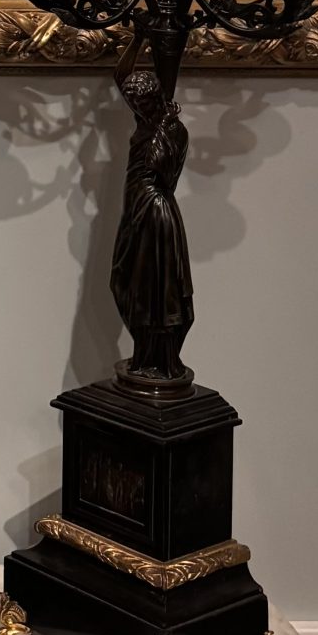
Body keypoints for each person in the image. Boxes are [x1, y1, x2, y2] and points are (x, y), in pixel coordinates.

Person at [109, 33, 195, 386]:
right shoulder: (146, 120)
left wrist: (163, 126)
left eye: (141, 100)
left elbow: (162, 172)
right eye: (133, 101)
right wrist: (138, 38)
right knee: (123, 280)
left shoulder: (172, 130)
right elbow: (120, 76)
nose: (136, 105)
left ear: (154, 98)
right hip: (136, 208)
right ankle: (145, 356)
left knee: (156, 291)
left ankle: (159, 361)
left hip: (156, 213)